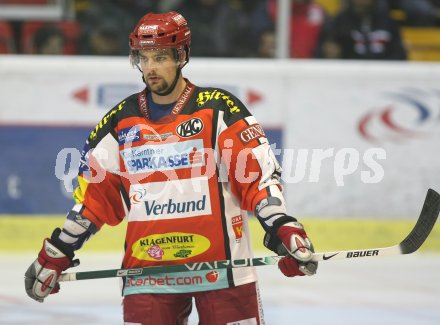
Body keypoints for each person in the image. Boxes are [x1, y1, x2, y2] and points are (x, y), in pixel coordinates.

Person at [24, 11, 317, 324]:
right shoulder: (120, 121)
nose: (150, 68)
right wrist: (56, 252)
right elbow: (93, 202)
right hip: (148, 275)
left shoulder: (219, 109)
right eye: (143, 58)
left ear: (182, 56)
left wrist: (283, 227)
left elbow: (259, 179)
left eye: (160, 57)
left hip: (223, 273)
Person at [316, 0, 407, 60]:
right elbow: (324, 49)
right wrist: (329, 53)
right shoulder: (340, 21)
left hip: (384, 76)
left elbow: (399, 54)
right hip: (349, 76)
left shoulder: (388, 22)